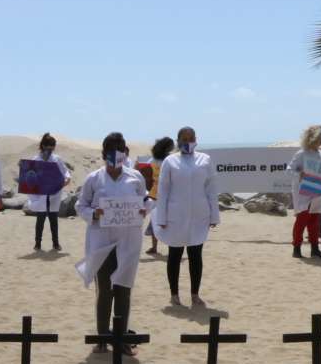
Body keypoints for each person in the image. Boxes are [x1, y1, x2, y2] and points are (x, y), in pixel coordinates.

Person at [78, 132, 147, 352]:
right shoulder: (93, 179)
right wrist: (95, 214)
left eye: (118, 151)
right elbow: (81, 206)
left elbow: (145, 201)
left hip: (128, 242)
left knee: (123, 289)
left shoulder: (135, 177)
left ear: (124, 153)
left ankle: (121, 339)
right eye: (110, 152)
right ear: (103, 154)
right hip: (102, 243)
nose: (114, 156)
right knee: (105, 290)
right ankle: (101, 337)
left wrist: (144, 210)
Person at [151, 127, 219, 305]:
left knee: (196, 254)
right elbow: (163, 191)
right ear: (178, 140)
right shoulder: (170, 161)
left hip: (199, 215)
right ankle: (174, 295)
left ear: (196, 139)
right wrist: (161, 218)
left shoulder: (205, 159)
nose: (187, 141)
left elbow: (211, 188)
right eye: (184, 138)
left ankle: (195, 294)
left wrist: (214, 215)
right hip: (176, 216)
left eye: (191, 138)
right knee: (175, 254)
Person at [288, 124, 321, 258]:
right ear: (311, 138)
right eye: (319, 138)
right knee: (301, 220)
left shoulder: (319, 153)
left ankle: (315, 249)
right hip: (303, 192)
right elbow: (289, 169)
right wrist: (299, 174)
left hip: (317, 190)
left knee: (314, 221)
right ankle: (296, 248)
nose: (320, 141)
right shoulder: (302, 153)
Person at [25, 133, 71, 252]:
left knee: (53, 219)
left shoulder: (56, 159)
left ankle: (55, 244)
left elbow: (65, 171)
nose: (50, 148)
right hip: (41, 194)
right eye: (49, 145)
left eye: (53, 146)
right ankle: (37, 244)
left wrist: (67, 179)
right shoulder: (36, 159)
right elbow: (30, 175)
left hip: (54, 193)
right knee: (40, 219)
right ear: (43, 145)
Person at [139, 147, 162, 256]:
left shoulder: (169, 160)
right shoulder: (151, 162)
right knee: (154, 222)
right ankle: (154, 247)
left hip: (167, 197)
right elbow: (145, 176)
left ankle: (175, 246)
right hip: (153, 196)